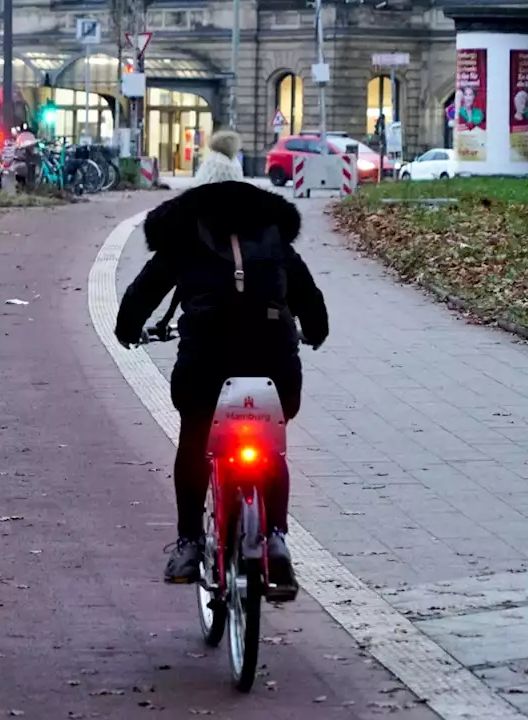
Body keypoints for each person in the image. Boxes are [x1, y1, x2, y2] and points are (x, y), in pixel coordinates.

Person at [114, 181, 329, 596]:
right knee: (272, 446)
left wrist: (127, 330)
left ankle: (190, 543)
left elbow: (145, 290)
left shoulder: (183, 238)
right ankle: (276, 539)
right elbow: (308, 296)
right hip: (274, 367)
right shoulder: (276, 239)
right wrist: (316, 332)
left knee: (195, 441)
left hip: (206, 366)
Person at [149, 130, 247, 336]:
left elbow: (150, 284)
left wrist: (127, 326)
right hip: (259, 340)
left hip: (200, 339)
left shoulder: (186, 235)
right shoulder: (264, 232)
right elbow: (301, 284)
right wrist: (315, 329)